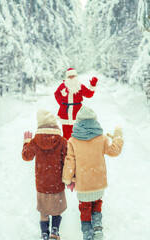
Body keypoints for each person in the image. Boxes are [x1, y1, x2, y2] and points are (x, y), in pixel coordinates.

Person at [62, 106, 124, 240]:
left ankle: (86, 232)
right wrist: (118, 137)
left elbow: (69, 161)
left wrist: (67, 179)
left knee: (84, 207)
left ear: (78, 121)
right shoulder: (101, 139)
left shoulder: (73, 140)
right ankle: (97, 227)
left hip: (83, 184)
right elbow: (114, 151)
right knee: (97, 202)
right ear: (95, 121)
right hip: (98, 181)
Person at [22, 109, 67, 240]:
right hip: (57, 182)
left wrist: (26, 142)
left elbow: (26, 156)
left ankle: (44, 234)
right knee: (56, 208)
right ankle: (55, 231)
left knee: (43, 209)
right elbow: (66, 160)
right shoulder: (62, 141)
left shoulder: (35, 141)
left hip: (42, 183)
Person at [54, 68, 98, 140]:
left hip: (77, 112)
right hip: (65, 112)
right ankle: (67, 148)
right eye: (69, 76)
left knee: (78, 132)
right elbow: (56, 94)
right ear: (67, 77)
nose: (71, 78)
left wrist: (92, 86)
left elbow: (89, 94)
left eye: (73, 76)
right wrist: (62, 101)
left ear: (76, 76)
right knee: (66, 134)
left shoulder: (80, 86)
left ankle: (77, 148)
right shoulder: (63, 86)